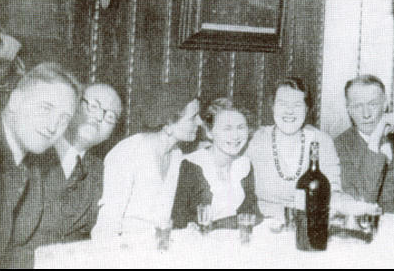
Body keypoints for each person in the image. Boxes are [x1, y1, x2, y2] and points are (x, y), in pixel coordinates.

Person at [9, 84, 122, 268]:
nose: (98, 117)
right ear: (72, 106)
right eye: (93, 106)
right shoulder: (29, 153)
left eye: (110, 116)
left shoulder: (104, 171)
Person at [0, 62, 80, 268]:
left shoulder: (34, 165)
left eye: (64, 119)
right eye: (45, 108)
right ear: (15, 101)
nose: (53, 127)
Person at [91, 82, 202, 238]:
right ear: (168, 123)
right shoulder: (128, 153)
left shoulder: (176, 155)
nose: (200, 122)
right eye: (193, 117)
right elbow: (107, 224)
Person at [246, 77, 344, 218]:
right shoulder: (255, 140)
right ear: (272, 106)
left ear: (307, 109)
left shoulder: (322, 141)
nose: (289, 111)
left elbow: (332, 191)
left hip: (308, 222)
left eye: (297, 105)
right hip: (263, 224)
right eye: (282, 104)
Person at [171, 97, 261, 229]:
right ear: (209, 132)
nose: (235, 136)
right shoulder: (191, 165)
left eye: (241, 127)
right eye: (227, 129)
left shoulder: (243, 165)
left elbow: (251, 215)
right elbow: (178, 222)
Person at [335, 74, 394, 215]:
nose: (366, 114)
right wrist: (377, 135)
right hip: (369, 227)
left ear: (385, 105)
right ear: (349, 110)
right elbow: (362, 200)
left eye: (373, 104)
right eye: (357, 106)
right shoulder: (340, 146)